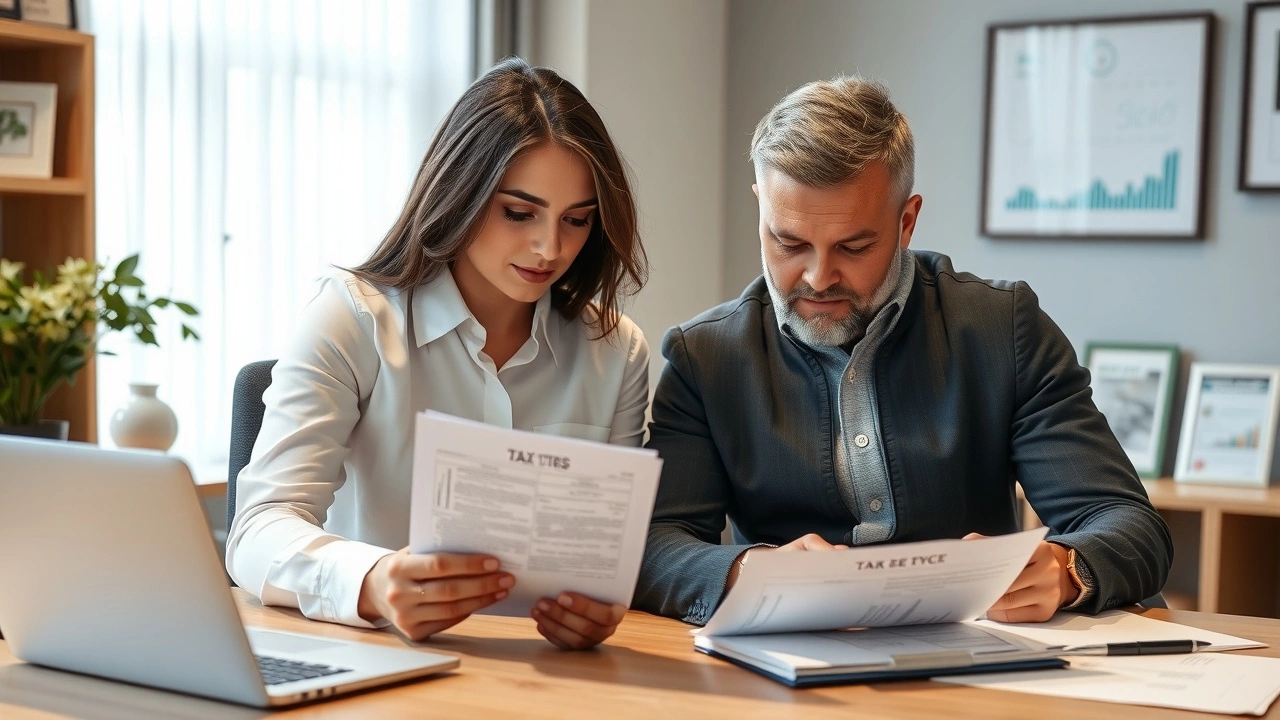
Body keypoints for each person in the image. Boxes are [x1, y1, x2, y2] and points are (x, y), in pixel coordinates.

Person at [633, 75, 1172, 626]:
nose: (818, 277)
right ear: (761, 210)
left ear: (906, 221)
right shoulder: (706, 357)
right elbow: (654, 545)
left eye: (854, 246)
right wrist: (749, 571)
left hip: (975, 671)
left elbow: (1127, 523)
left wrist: (1065, 569)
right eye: (789, 243)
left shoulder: (1003, 330)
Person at [226, 58, 650, 651]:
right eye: (519, 213)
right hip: (375, 663)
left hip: (547, 682)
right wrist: (373, 582)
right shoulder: (352, 318)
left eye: (577, 221)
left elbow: (608, 566)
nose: (549, 247)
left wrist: (599, 607)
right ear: (461, 191)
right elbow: (256, 531)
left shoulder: (618, 353)